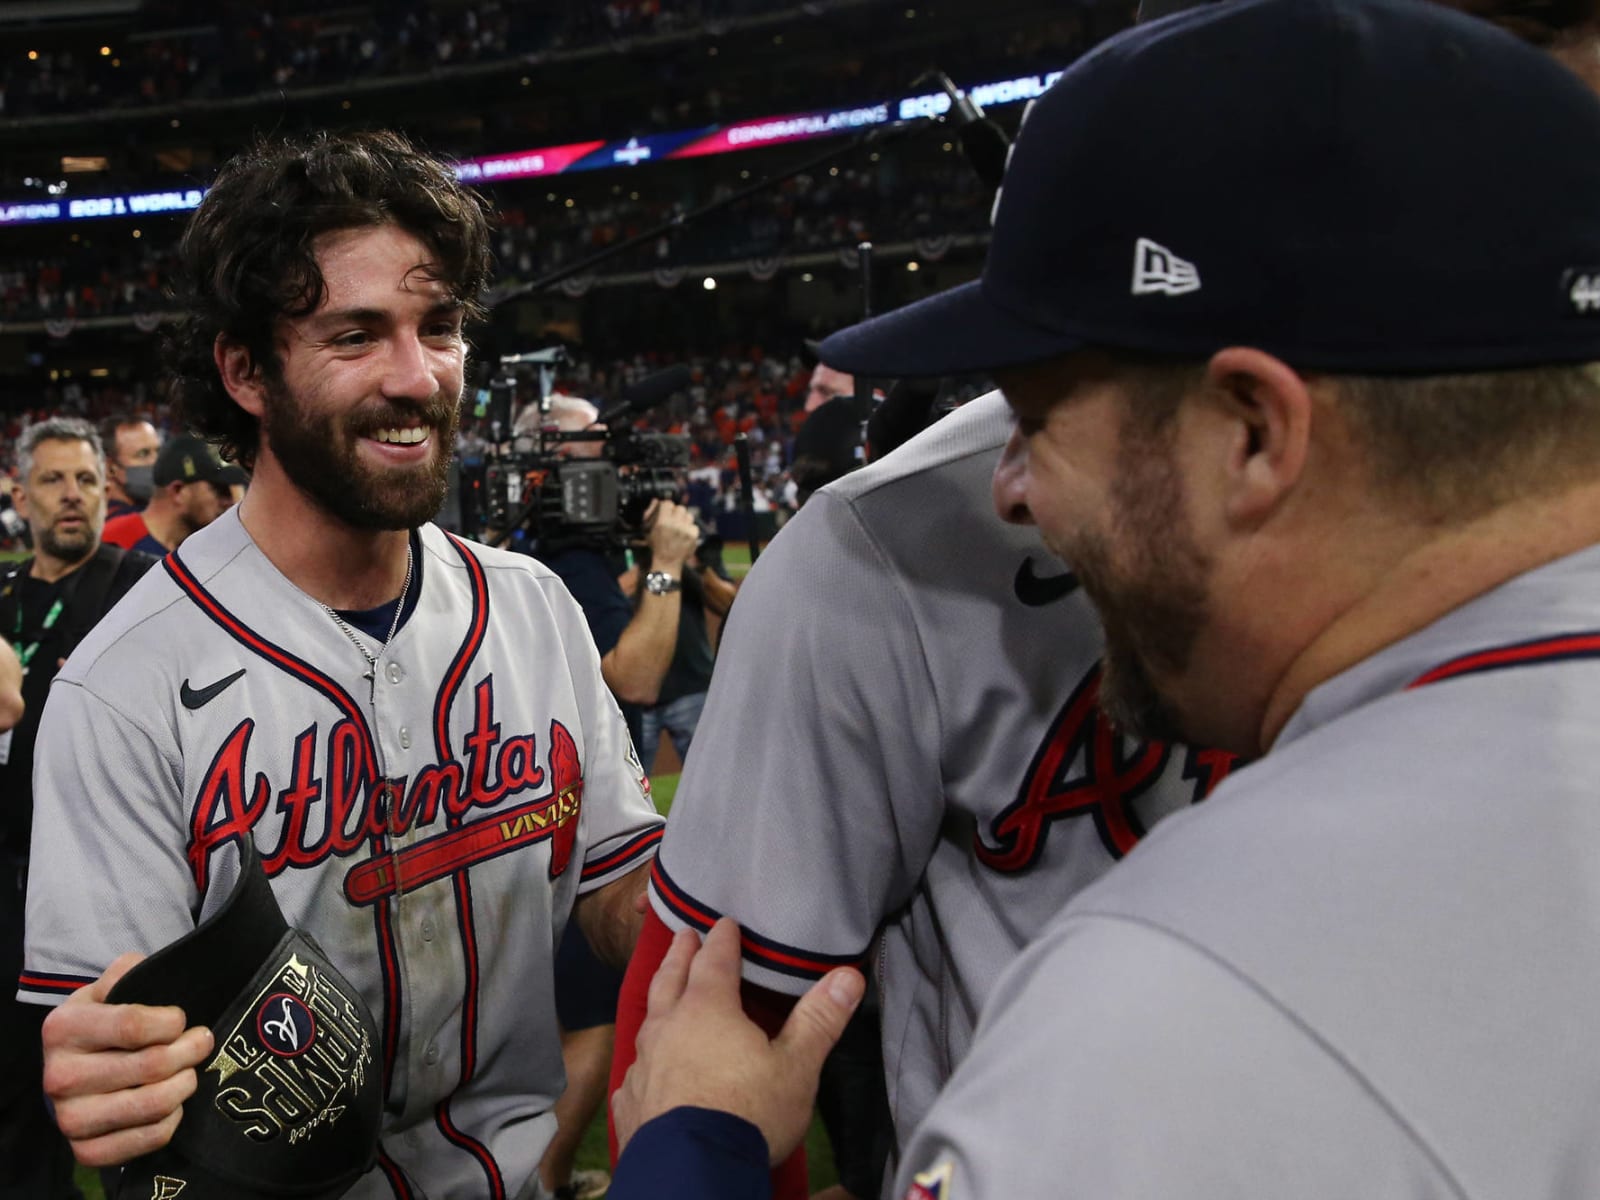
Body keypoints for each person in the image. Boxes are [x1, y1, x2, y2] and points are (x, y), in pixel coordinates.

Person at [609, 2, 1600, 1196]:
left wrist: (689, 1148)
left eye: (1034, 416)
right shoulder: (879, 553)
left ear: (1252, 431)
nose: (1009, 486)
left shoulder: (1166, 1001)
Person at [19, 130, 664, 1199]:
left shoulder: (532, 607)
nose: (417, 377)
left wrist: (734, 876)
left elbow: (614, 891)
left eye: (440, 326)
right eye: (357, 334)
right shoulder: (122, 682)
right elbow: (112, 1029)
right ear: (245, 372)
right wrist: (107, 1069)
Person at [517, 393, 699, 1200]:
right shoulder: (572, 565)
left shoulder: (532, 553)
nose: (615, 465)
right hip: (578, 824)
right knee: (592, 1017)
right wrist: (664, 560)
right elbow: (633, 674)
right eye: (596, 448)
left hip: (529, 812)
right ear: (553, 461)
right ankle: (547, 1180)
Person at [0, 417, 157, 1200]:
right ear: (21, 494)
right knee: (13, 1100)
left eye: (89, 480)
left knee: (128, 1100)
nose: (73, 497)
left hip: (105, 879)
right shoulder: (3, 596)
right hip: (9, 872)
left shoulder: (140, 586)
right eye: (56, 480)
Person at [101, 432, 246, 555]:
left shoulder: (201, 551)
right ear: (178, 492)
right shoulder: (114, 543)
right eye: (220, 491)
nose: (231, 501)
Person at [96, 413, 160, 521]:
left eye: (158, 451)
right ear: (110, 468)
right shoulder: (118, 522)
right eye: (143, 454)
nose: (156, 461)